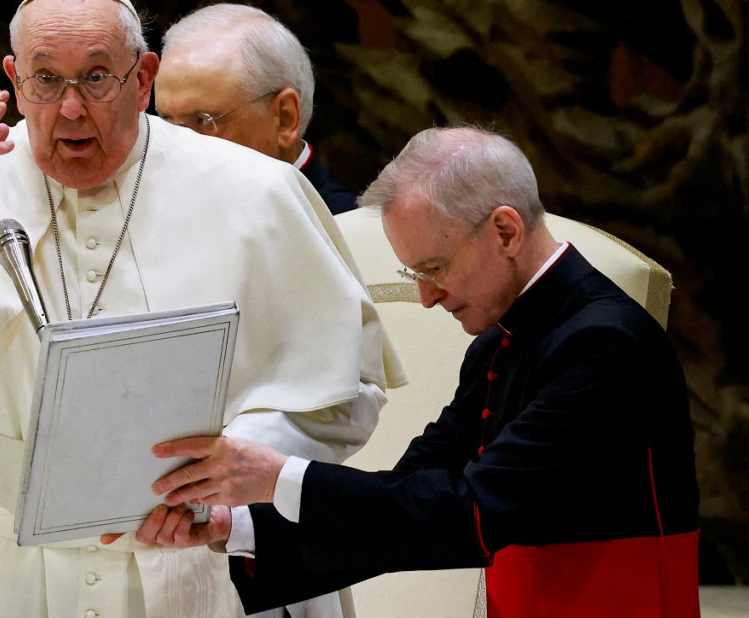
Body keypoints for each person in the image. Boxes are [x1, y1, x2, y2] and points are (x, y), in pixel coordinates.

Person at [0, 0, 400, 618]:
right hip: (17, 572)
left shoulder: (256, 193)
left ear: (144, 77)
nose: (71, 108)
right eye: (46, 80)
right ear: (15, 79)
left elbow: (346, 384)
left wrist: (229, 477)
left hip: (207, 563)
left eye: (96, 77)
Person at [134, 126, 700, 618]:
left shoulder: (602, 344)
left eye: (435, 267)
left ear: (505, 231)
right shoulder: (502, 338)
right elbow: (407, 500)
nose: (426, 297)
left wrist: (278, 476)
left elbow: (472, 512)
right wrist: (238, 529)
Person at [153, 3, 356, 215]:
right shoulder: (164, 211)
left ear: (285, 118)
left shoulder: (347, 232)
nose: (176, 149)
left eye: (203, 120)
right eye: (166, 121)